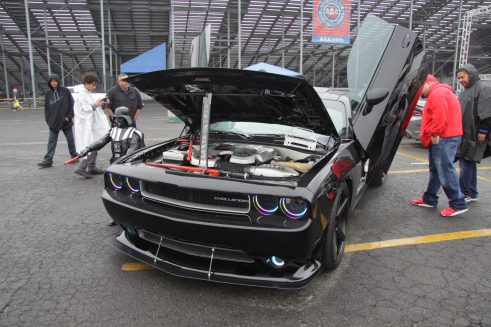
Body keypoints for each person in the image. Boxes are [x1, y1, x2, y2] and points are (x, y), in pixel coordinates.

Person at [411, 74, 468, 217]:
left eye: (420, 87)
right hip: (447, 136)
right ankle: (429, 199)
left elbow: (440, 117)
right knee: (437, 169)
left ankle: (458, 203)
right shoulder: (441, 92)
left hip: (444, 137)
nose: (419, 91)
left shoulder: (438, 93)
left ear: (428, 83)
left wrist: (435, 134)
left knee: (444, 170)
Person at [77, 106, 145, 226]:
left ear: (127, 119)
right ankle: (117, 216)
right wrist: (88, 148)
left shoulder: (135, 133)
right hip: (115, 167)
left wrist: (122, 165)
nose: (117, 120)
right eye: (116, 118)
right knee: (115, 193)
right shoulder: (113, 131)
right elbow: (101, 141)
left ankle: (135, 218)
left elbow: (133, 150)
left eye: (120, 118)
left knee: (132, 194)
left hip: (130, 169)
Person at [455, 64, 491, 203]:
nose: (461, 80)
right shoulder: (466, 90)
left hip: (475, 133)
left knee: (466, 163)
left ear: (471, 74)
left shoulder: (483, 88)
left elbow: (487, 113)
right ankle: (471, 192)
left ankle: (465, 193)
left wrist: (483, 131)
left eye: (462, 77)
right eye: (459, 78)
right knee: (468, 162)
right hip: (465, 133)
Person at [73, 72, 111, 179]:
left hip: (91, 125)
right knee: (89, 146)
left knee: (95, 144)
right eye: (93, 84)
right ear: (87, 83)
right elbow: (84, 110)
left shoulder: (87, 93)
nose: (94, 87)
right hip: (86, 126)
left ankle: (91, 167)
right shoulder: (81, 95)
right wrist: (96, 104)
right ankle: (81, 167)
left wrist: (99, 103)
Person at [38, 74, 78, 168]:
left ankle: (74, 156)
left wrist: (69, 117)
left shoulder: (65, 91)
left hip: (66, 121)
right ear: (49, 83)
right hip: (54, 123)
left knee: (70, 140)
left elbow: (71, 104)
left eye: (55, 81)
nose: (54, 83)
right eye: (52, 81)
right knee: (51, 141)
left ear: (58, 81)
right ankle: (48, 160)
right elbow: (47, 109)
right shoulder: (48, 93)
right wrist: (49, 121)